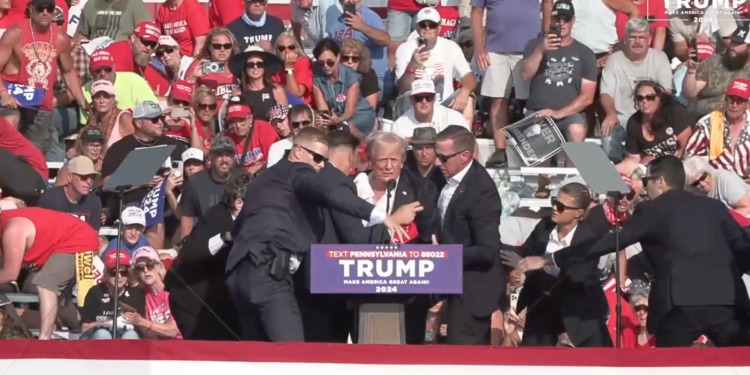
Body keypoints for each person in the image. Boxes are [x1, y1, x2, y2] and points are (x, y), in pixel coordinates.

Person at [514, 155, 750, 347]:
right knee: (742, 364)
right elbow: (742, 249)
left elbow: (609, 243)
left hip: (681, 307)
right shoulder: (714, 206)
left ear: (660, 182)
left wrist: (551, 258)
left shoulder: (652, 211)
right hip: (728, 303)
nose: (643, 188)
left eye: (646, 181)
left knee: (667, 369)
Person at [225, 127, 422, 342]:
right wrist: (383, 216)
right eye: (317, 158)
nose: (321, 166)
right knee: (294, 356)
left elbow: (238, 227)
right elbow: (330, 193)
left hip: (239, 274)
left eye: (324, 160)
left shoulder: (264, 179)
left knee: (256, 355)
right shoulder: (299, 172)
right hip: (269, 274)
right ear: (298, 151)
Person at [504, 183, 613, 347]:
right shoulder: (545, 225)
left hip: (578, 313)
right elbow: (527, 251)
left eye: (561, 206)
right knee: (533, 360)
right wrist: (505, 252)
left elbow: (576, 276)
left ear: (579, 213)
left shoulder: (589, 237)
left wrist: (538, 267)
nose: (555, 208)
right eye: (554, 201)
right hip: (542, 305)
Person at [431, 125, 505, 345]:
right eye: (437, 156)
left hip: (472, 290)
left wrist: (445, 254)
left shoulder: (482, 192)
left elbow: (487, 251)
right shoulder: (442, 175)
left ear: (464, 156)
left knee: (461, 357)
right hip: (446, 282)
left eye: (443, 158)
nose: (437, 163)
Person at [166, 172, 250, 340]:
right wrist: (226, 236)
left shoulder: (245, 222)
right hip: (189, 298)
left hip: (216, 300)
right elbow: (192, 251)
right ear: (239, 203)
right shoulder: (216, 218)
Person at [0, 0, 88, 154]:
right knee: (10, 129)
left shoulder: (61, 39)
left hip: (41, 103)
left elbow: (68, 72)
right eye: (41, 8)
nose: (45, 12)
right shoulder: (15, 33)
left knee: (35, 155)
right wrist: (3, 93)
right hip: (12, 98)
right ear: (32, 9)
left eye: (50, 8)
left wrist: (81, 100)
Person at [0, 207, 100, 340]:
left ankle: (44, 339)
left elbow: (10, 274)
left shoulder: (12, 231)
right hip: (67, 240)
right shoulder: (8, 223)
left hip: (77, 240)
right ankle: (78, 329)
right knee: (51, 294)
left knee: (46, 284)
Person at [521, 0, 596, 146]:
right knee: (540, 136)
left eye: (566, 19)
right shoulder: (534, 45)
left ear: (573, 21)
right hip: (538, 112)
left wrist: (559, 113)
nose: (561, 23)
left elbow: (587, 97)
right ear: (551, 19)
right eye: (557, 19)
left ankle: (578, 169)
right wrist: (541, 50)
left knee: (577, 130)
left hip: (570, 114)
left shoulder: (585, 53)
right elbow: (525, 75)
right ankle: (546, 168)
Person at [684, 78, 750, 178]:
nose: (734, 105)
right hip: (714, 182)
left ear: (748, 104)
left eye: (739, 101)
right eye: (731, 100)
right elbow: (690, 157)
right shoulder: (707, 123)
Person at [312, 38, 376, 138]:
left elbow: (349, 112)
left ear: (337, 58)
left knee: (345, 130)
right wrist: (326, 119)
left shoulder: (351, 77)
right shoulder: (317, 79)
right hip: (336, 116)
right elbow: (323, 109)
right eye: (321, 63)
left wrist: (336, 120)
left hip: (359, 114)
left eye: (330, 62)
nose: (326, 66)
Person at [179, 135, 237, 239]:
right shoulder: (194, 183)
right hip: (205, 243)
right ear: (210, 157)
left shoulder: (245, 179)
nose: (224, 159)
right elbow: (187, 223)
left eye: (228, 154)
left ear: (234, 157)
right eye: (219, 154)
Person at [79, 250, 145, 340]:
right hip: (99, 338)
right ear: (107, 273)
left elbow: (143, 329)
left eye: (124, 272)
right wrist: (110, 323)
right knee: (103, 334)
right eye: (114, 272)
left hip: (126, 335)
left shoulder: (136, 294)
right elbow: (85, 327)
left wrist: (135, 321)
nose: (119, 276)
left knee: (130, 335)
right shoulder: (95, 292)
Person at [123, 246, 183, 339]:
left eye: (150, 265)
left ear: (159, 266)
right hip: (157, 347)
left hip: (180, 345)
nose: (145, 270)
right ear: (137, 273)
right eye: (140, 267)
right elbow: (146, 333)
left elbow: (174, 331)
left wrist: (141, 322)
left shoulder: (172, 289)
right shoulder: (141, 296)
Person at [39, 156, 102, 231]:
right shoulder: (50, 198)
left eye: (91, 177)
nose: (89, 182)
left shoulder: (94, 201)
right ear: (70, 177)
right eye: (84, 177)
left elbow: (93, 235)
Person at [228, 45, 288, 122]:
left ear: (264, 67)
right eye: (251, 64)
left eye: (259, 64)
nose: (255, 67)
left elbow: (284, 121)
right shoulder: (237, 93)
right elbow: (235, 121)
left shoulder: (277, 91)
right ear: (245, 68)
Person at [684, 156, 750, 217]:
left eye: (703, 178)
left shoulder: (724, 178)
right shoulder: (693, 194)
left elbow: (747, 208)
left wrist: (721, 222)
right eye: (696, 183)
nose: (702, 184)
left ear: (708, 172)